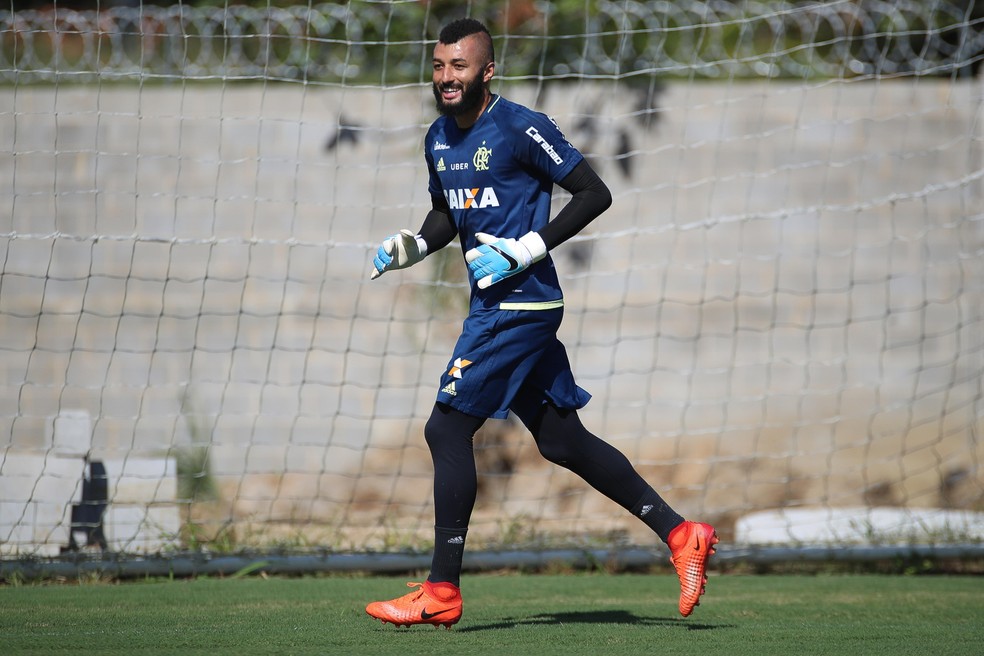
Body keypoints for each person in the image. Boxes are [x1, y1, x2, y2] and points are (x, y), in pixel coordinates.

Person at [365, 17, 717, 629]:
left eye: (460, 66)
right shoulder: (438, 137)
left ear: (487, 71)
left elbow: (593, 192)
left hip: (520, 302)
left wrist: (527, 248)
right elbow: (448, 214)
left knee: (445, 432)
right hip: (493, 304)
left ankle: (442, 590)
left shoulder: (522, 126)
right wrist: (416, 244)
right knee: (561, 441)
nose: (447, 78)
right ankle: (682, 532)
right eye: (439, 66)